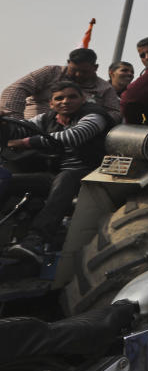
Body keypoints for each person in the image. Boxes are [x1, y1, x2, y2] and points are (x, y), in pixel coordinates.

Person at [2, 81, 111, 262]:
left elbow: (74, 136)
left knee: (65, 178)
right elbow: (18, 130)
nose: (65, 101)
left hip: (91, 174)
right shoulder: (46, 119)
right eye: (59, 98)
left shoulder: (95, 116)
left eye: (72, 97)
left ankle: (36, 240)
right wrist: (3, 126)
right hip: (56, 176)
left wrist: (27, 142)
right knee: (7, 180)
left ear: (83, 99)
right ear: (51, 104)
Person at [1, 48, 121, 124]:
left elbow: (114, 113)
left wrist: (90, 122)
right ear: (68, 63)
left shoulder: (105, 88)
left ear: (95, 68)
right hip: (30, 129)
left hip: (77, 135)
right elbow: (15, 90)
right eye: (73, 70)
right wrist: (16, 123)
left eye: (84, 72)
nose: (78, 75)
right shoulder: (50, 72)